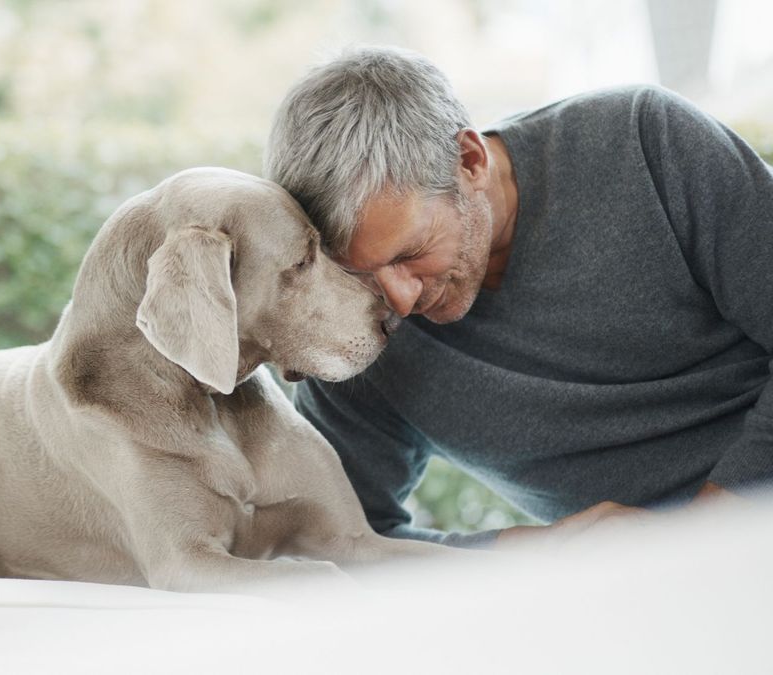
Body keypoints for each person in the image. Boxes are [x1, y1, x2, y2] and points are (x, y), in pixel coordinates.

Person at [263, 46, 773, 548]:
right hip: (641, 594)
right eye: (362, 274)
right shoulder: (351, 331)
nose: (396, 301)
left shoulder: (647, 143)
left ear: (469, 160)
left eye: (410, 253)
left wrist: (703, 536)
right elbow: (337, 541)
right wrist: (531, 553)